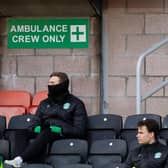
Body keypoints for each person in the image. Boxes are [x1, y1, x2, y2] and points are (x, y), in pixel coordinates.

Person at [4, 72, 88, 167]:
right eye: (49, 83)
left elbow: (80, 131)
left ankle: (20, 159)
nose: (49, 85)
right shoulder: (44, 103)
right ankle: (17, 161)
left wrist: (60, 128)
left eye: (53, 83)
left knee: (47, 132)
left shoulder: (76, 103)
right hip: (45, 130)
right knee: (21, 133)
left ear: (63, 85)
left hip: (63, 132)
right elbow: (34, 123)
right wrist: (37, 128)